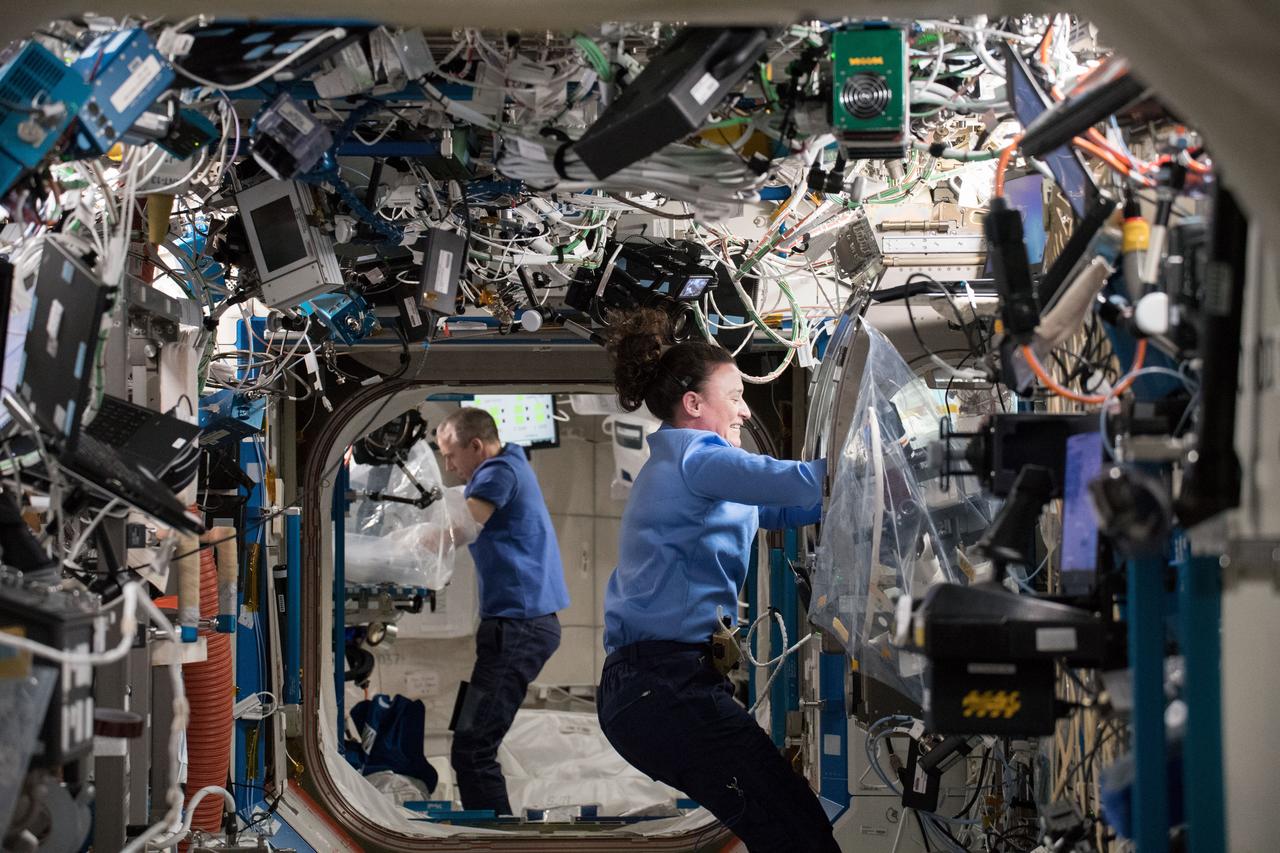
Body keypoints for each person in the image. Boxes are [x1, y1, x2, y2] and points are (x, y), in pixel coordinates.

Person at [597, 309, 840, 853]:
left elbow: (788, 506)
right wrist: (889, 463)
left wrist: (849, 498)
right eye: (734, 396)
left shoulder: (695, 471)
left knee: (786, 824)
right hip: (662, 686)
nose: (745, 408)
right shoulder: (696, 457)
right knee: (794, 827)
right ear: (694, 405)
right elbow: (798, 480)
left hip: (654, 688)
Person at [434, 406, 570, 815]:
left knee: (472, 749)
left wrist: (397, 548)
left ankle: (497, 837)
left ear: (476, 446)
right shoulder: (511, 464)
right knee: (467, 740)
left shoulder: (496, 472)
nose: (448, 465)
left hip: (519, 628)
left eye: (451, 454)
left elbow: (462, 530)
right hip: (515, 627)